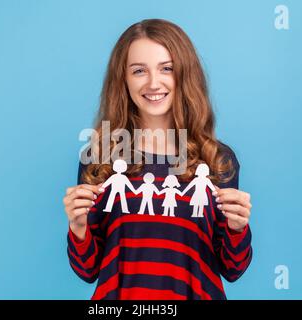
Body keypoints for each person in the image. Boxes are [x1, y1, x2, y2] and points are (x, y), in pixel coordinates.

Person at [63, 19, 253, 300]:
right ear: (123, 79)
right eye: (139, 71)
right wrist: (77, 228)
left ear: (185, 74)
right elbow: (87, 270)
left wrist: (238, 228)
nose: (154, 83)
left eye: (167, 69)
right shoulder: (99, 157)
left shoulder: (217, 159)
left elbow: (233, 268)